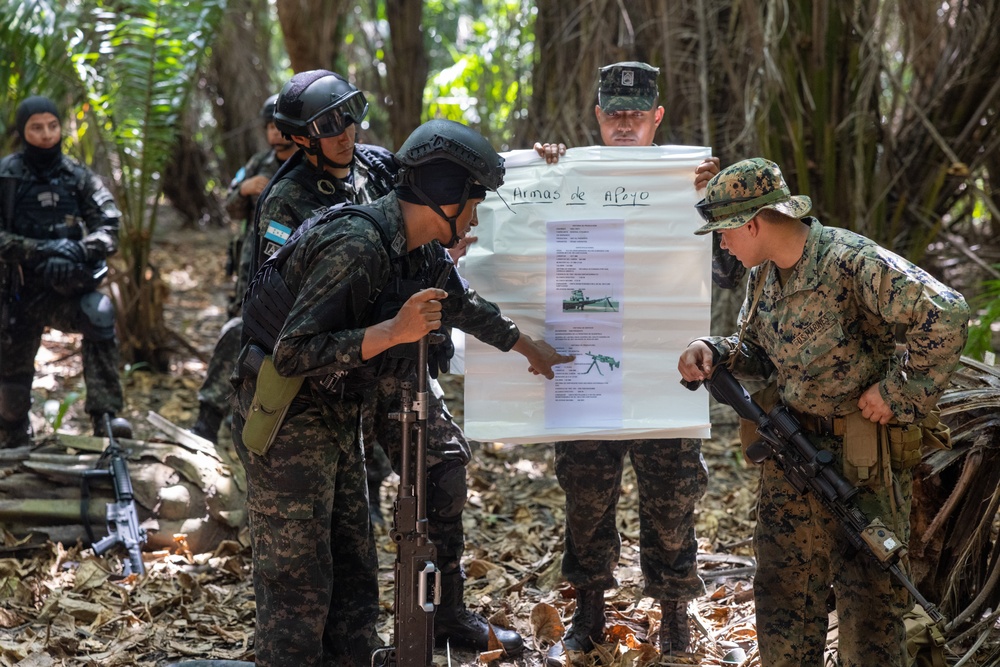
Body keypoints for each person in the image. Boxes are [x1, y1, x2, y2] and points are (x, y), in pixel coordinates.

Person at [231, 118, 573, 666]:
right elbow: (291, 352)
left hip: (339, 406)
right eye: (475, 201)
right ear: (445, 196)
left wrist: (524, 345)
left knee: (353, 565)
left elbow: (459, 304)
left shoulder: (417, 248)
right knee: (299, 579)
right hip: (287, 411)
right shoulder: (357, 244)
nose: (477, 216)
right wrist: (391, 333)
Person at [677, 158, 969, 666]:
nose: (720, 245)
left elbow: (945, 312)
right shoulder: (764, 274)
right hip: (792, 454)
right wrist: (715, 350)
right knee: (783, 599)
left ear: (753, 223)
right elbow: (764, 353)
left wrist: (900, 393)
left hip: (862, 462)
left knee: (870, 605)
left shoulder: (849, 259)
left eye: (724, 233)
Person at [532, 62, 716, 664]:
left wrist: (713, 202)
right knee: (586, 498)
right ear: (598, 116)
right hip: (592, 370)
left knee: (671, 503)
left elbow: (732, 268)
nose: (626, 123)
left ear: (658, 116)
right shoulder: (569, 172)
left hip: (669, 372)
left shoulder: (688, 181)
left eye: (638, 113)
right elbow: (527, 242)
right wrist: (540, 175)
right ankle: (588, 612)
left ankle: (674, 618)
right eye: (615, 112)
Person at [0, 95, 130, 447]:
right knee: (9, 405)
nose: (46, 135)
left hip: (65, 290)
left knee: (99, 313)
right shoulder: (6, 176)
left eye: (52, 126)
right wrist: (41, 251)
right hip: (17, 293)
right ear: (23, 130)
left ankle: (105, 417)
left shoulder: (77, 176)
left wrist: (77, 249)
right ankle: (13, 442)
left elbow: (110, 226)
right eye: (36, 127)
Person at [190, 94, 298, 444]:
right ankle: (213, 419)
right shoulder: (257, 164)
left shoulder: (307, 168)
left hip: (291, 283)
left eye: (282, 127)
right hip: (249, 277)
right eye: (271, 127)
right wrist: (244, 191)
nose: (277, 134)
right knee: (236, 339)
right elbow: (228, 206)